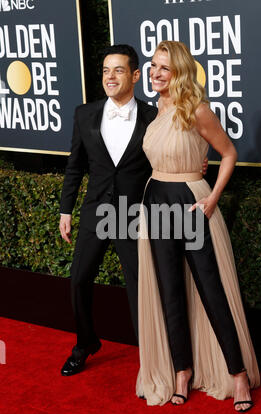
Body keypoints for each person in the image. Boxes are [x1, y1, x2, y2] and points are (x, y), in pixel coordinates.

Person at [59, 43, 209, 376]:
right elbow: (75, 165)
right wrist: (65, 209)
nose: (110, 77)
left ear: (136, 75)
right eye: (105, 70)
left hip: (135, 215)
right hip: (97, 211)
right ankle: (85, 343)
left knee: (142, 288)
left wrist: (197, 160)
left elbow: (177, 146)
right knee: (79, 279)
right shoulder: (84, 114)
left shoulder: (153, 115)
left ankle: (153, 357)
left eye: (119, 70)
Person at [136, 40, 260, 412]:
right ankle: (181, 373)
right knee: (169, 290)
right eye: (153, 66)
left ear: (180, 73)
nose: (156, 73)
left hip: (190, 202)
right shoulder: (155, 109)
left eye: (164, 68)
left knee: (211, 290)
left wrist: (212, 198)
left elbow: (228, 153)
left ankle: (237, 375)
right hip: (155, 199)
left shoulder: (198, 110)